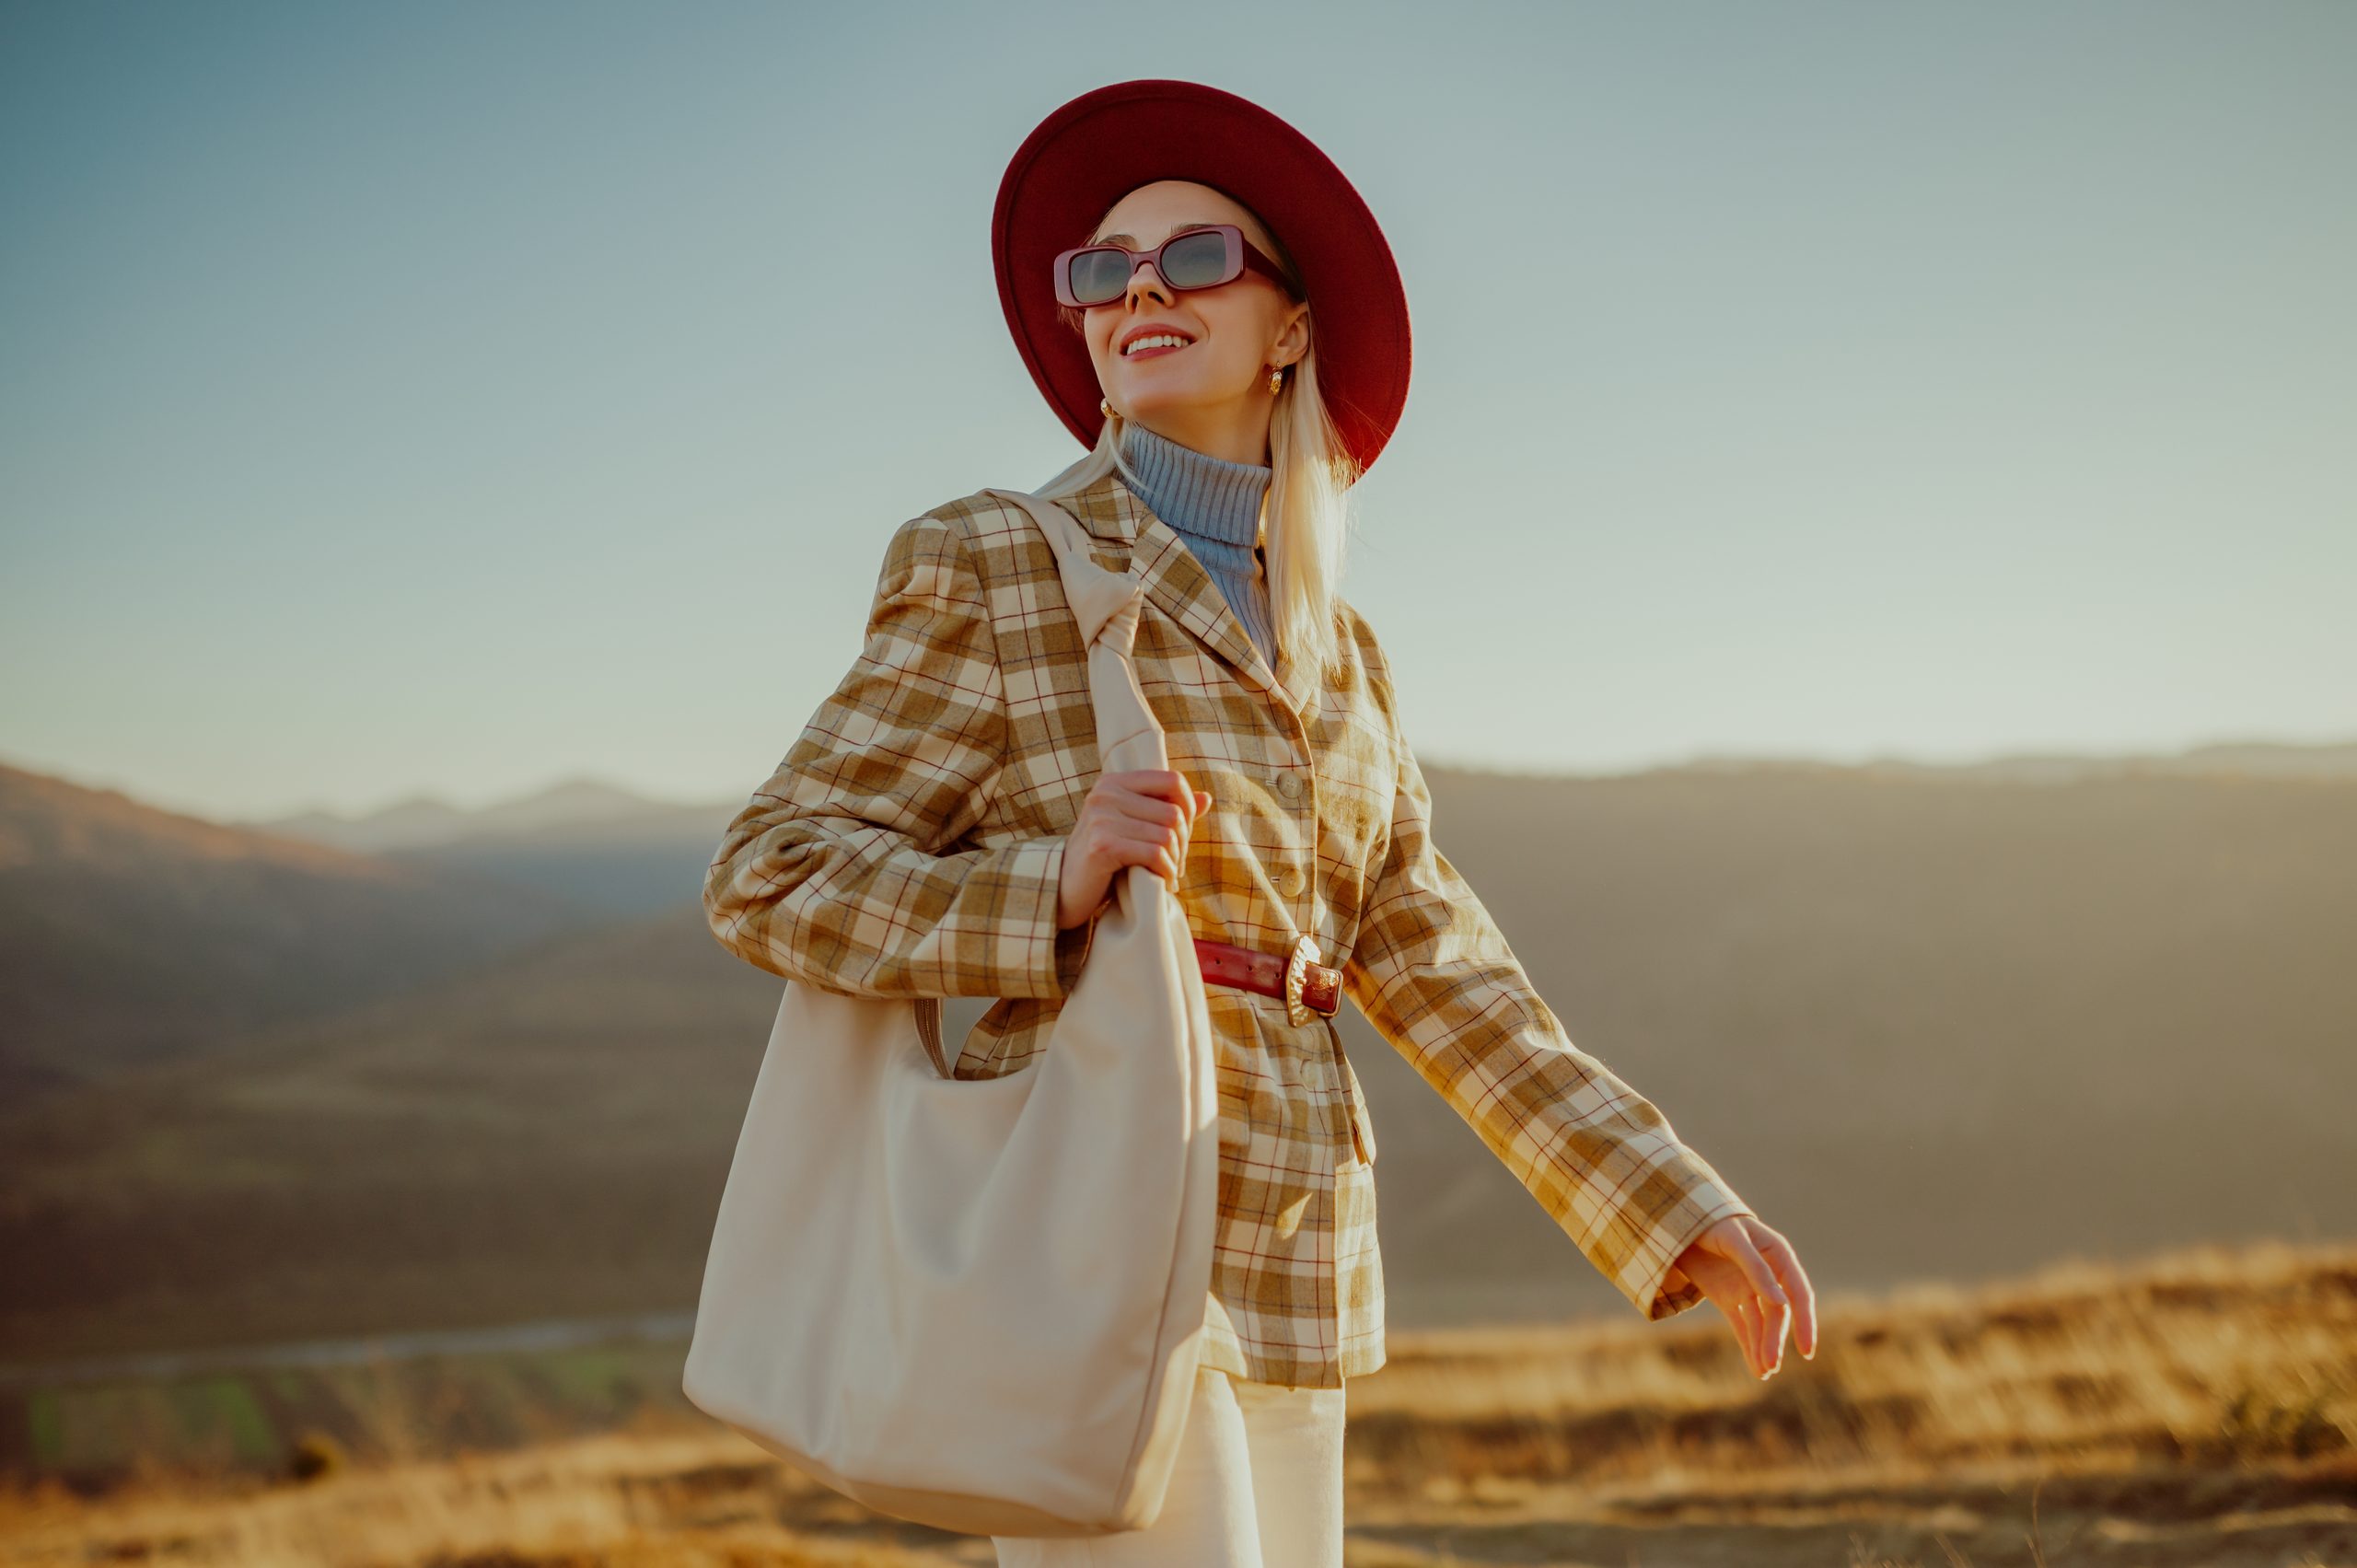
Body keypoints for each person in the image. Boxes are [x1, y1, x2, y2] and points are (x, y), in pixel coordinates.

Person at [702, 79, 1817, 1568]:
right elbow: (768, 872)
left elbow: (1443, 974)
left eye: (1198, 255)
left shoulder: (1342, 656)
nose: (1139, 285)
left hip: (1298, 1264)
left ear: (1292, 326)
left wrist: (1671, 1207)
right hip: (1085, 1235)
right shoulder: (994, 562)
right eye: (1103, 269)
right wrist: (1047, 885)